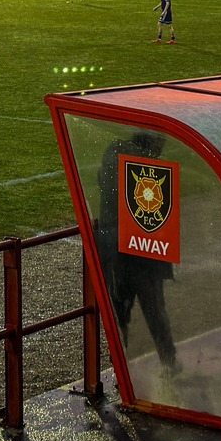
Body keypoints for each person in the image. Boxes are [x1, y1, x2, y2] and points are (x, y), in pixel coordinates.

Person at [92, 135, 178, 372]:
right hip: (140, 250)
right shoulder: (145, 160)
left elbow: (102, 180)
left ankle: (123, 370)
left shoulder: (113, 150)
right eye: (160, 144)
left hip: (112, 247)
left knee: (120, 312)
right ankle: (169, 362)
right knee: (154, 310)